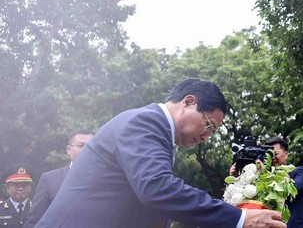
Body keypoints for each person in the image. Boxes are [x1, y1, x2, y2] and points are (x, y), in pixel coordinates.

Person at [35, 78, 286, 228]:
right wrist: (239, 218)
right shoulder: (145, 122)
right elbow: (157, 189)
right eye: (208, 125)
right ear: (188, 102)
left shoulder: (159, 134)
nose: (206, 137)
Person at [230, 137, 303, 228]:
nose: (272, 157)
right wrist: (234, 178)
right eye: (269, 154)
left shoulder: (299, 172)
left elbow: (295, 187)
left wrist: (266, 174)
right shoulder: (260, 178)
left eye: (276, 153)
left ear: (286, 154)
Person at [23, 130, 94, 228]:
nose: (85, 150)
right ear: (68, 149)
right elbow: (34, 220)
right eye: (80, 145)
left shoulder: (106, 180)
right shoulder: (49, 180)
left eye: (90, 146)